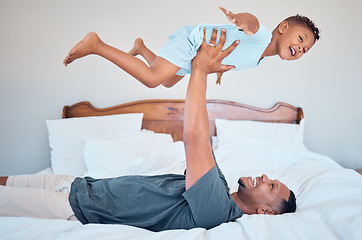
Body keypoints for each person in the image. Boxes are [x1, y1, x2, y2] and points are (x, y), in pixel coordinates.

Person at [0, 29, 296, 232]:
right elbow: (201, 140)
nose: (265, 178)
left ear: (266, 213)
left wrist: (201, 70)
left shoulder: (216, 211)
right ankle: (139, 50)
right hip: (81, 185)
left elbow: (193, 138)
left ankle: (102, 45)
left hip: (75, 207)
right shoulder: (219, 185)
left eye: (271, 187)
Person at [63, 6, 320, 87]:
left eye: (305, 50)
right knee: (153, 79)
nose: (301, 49)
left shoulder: (262, 57)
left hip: (201, 55)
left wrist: (219, 70)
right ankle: (97, 45)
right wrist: (241, 19)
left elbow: (237, 54)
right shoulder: (262, 36)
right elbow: (252, 23)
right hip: (194, 41)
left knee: (168, 81)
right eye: (301, 39)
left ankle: (141, 47)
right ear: (284, 27)